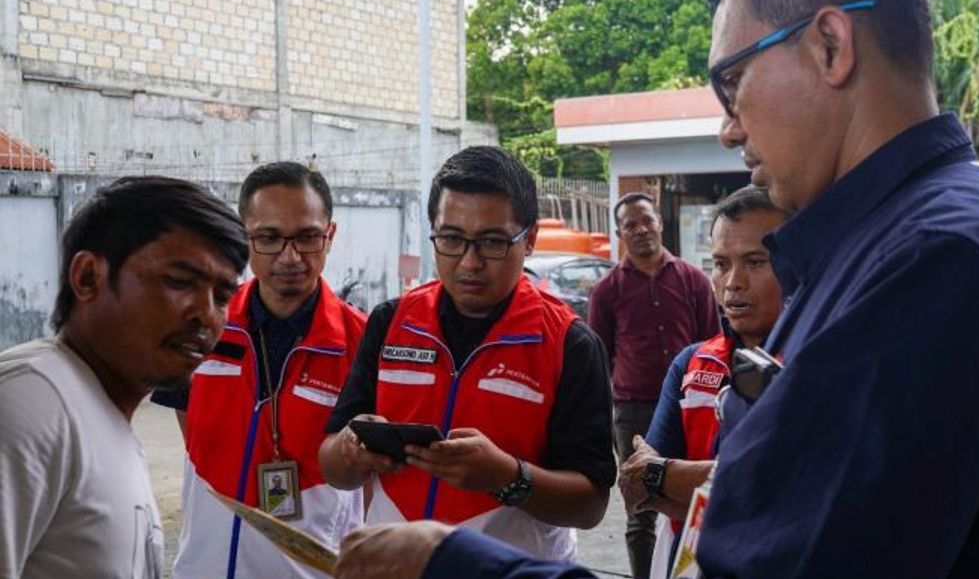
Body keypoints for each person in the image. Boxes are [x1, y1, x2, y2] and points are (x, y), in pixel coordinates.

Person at [331, 0, 979, 579]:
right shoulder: (892, 247)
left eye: (732, 83)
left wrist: (455, 561)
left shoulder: (935, 265)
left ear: (830, 44)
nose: (728, 128)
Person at [318, 145, 615, 561]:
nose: (470, 262)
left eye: (492, 242)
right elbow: (332, 463)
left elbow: (591, 505)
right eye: (452, 239)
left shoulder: (570, 344)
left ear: (529, 239)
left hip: (513, 570)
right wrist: (350, 450)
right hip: (398, 568)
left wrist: (509, 478)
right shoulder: (390, 323)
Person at [0, 176, 246, 579]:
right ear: (87, 277)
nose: (207, 315)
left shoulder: (98, 409)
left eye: (222, 296)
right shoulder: (32, 401)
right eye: (180, 282)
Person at [151, 162, 367, 579]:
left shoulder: (362, 343)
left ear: (330, 235)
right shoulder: (200, 322)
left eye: (307, 237)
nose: (290, 257)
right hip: (203, 568)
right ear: (244, 235)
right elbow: (191, 429)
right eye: (268, 237)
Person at [619, 185, 787, 578]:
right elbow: (639, 487)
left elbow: (784, 492)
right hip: (686, 561)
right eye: (721, 263)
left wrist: (668, 474)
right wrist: (726, 488)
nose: (733, 282)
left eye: (756, 262)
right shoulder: (690, 364)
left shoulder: (818, 363)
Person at [588, 192, 720, 578]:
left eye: (647, 220)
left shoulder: (693, 280)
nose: (641, 229)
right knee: (640, 506)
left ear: (660, 222)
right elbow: (600, 357)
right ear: (619, 233)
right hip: (633, 411)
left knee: (700, 492)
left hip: (690, 406)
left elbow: (712, 343)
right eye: (631, 225)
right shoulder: (607, 289)